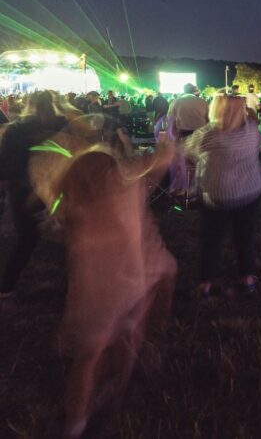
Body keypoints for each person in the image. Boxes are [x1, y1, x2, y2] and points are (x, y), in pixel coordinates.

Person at [57, 147, 177, 438]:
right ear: (112, 174)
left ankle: (76, 420)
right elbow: (151, 170)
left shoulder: (74, 212)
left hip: (94, 296)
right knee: (128, 336)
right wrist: (167, 154)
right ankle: (118, 386)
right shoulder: (127, 196)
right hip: (130, 287)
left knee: (89, 356)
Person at [185, 95, 261, 296]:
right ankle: (246, 278)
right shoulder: (252, 131)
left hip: (217, 193)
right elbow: (259, 147)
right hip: (249, 191)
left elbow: (187, 151)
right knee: (245, 236)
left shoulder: (207, 134)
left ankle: (205, 282)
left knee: (211, 238)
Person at [0, 91, 70, 297]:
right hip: (50, 188)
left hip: (27, 189)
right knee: (63, 234)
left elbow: (6, 161)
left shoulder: (18, 130)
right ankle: (79, 281)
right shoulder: (60, 125)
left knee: (28, 237)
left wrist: (5, 185)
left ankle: (6, 286)